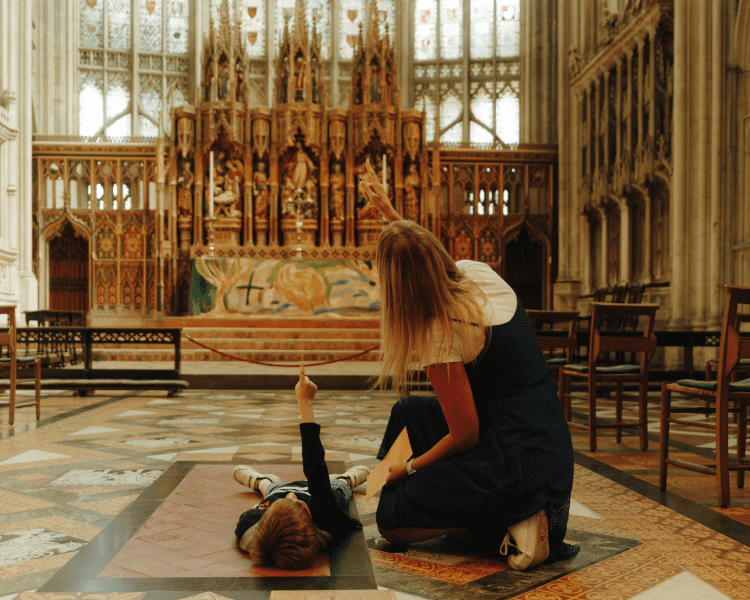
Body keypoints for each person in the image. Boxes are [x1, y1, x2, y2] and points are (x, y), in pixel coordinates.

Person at [358, 162, 578, 570]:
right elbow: (429, 258)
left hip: (515, 455)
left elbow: (466, 435)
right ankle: (386, 488)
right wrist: (394, 218)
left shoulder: (440, 330)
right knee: (408, 413)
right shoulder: (477, 274)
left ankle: (511, 520)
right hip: (543, 438)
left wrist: (405, 468)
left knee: (390, 521)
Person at [233, 366, 369, 570]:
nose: (292, 496)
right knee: (339, 486)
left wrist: (269, 506)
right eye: (297, 504)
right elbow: (316, 470)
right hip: (328, 492)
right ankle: (347, 478)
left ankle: (262, 481)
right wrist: (305, 404)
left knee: (274, 492)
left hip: (276, 496)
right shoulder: (325, 523)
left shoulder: (250, 532)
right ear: (311, 528)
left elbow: (251, 512)